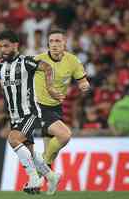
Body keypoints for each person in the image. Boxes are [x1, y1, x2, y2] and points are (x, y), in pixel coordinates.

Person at [0, 30, 61, 195]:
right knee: (29, 150)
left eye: (6, 46)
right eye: (0, 46)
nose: (2, 49)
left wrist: (51, 87)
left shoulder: (26, 61)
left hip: (30, 112)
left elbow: (47, 67)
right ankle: (51, 176)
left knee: (13, 139)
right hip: (14, 115)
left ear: (16, 45)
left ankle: (33, 178)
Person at [33, 28, 90, 168]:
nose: (54, 44)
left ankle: (40, 180)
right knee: (64, 135)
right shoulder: (38, 60)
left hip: (56, 107)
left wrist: (84, 85)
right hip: (38, 106)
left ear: (65, 43)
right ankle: (42, 162)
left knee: (51, 153)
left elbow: (83, 80)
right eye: (51, 41)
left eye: (58, 41)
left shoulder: (72, 61)